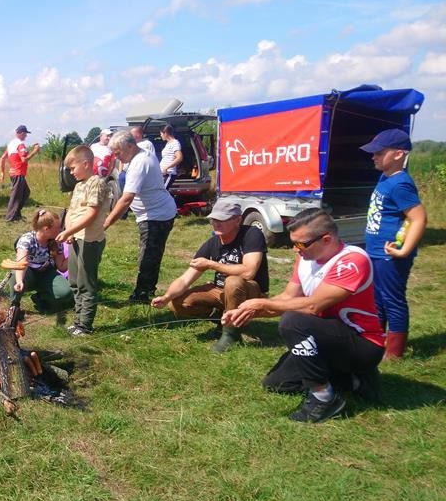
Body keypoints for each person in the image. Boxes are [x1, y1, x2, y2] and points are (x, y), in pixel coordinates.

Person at [223, 209, 384, 422]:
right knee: (276, 384)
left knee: (293, 321)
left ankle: (323, 397)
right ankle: (355, 381)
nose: (295, 250)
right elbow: (287, 298)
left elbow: (312, 307)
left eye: (301, 244)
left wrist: (261, 302)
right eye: (293, 243)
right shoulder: (306, 259)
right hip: (327, 337)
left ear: (326, 239)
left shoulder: (352, 261)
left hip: (363, 343)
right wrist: (247, 311)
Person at [151, 199, 269, 352]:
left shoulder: (251, 234)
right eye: (214, 219)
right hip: (220, 290)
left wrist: (211, 264)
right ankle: (221, 318)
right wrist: (166, 297)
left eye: (222, 219)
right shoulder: (212, 243)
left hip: (251, 292)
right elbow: (185, 279)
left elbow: (249, 272)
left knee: (233, 282)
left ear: (237, 220)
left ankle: (231, 334)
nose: (216, 223)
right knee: (176, 302)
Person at [361, 128, 427, 360]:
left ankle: (394, 352)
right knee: (376, 298)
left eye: (379, 153)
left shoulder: (400, 184)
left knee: (392, 300)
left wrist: (404, 250)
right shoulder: (386, 177)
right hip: (377, 252)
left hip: (391, 254)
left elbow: (418, 217)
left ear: (399, 154)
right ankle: (377, 341)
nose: (374, 157)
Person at [104, 130, 177, 304]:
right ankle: (146, 289)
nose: (116, 157)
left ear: (130, 146)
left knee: (148, 256)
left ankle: (142, 294)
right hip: (154, 213)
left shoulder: (139, 162)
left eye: (118, 152)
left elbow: (126, 199)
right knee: (150, 253)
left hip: (157, 216)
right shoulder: (138, 154)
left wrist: (106, 223)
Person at [57, 145, 110, 335]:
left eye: (73, 168)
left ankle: (85, 325)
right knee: (74, 281)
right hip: (75, 239)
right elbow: (72, 211)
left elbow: (91, 214)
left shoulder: (96, 183)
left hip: (90, 241)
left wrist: (69, 230)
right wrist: (69, 232)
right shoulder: (78, 185)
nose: (71, 173)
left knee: (86, 284)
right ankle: (78, 320)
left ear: (86, 163)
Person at [7, 209, 72, 314]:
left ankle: (40, 298)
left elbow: (62, 267)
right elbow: (20, 264)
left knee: (66, 293)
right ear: (46, 229)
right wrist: (19, 281)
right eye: (58, 228)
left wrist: (75, 254)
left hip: (47, 274)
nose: (60, 230)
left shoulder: (57, 242)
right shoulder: (27, 240)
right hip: (28, 273)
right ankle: (14, 306)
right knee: (14, 275)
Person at [0, 125, 41, 222]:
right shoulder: (20, 144)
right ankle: (10, 218)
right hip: (18, 173)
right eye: (25, 134)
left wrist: (2, 172)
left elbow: (2, 158)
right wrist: (35, 151)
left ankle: (17, 214)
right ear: (21, 133)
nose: (26, 136)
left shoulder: (11, 144)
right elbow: (24, 159)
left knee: (25, 192)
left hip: (14, 173)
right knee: (16, 195)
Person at [159, 124, 182, 189]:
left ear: (165, 133)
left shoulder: (175, 143)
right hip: (164, 174)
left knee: (162, 193)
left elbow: (179, 158)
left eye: (161, 134)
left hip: (169, 173)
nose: (160, 135)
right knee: (161, 194)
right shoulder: (168, 143)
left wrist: (166, 168)